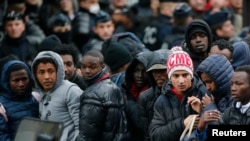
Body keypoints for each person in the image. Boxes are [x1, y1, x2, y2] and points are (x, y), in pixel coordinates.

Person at [149, 48, 208, 141]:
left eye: (185, 75)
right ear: (170, 78)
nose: (181, 81)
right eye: (176, 76)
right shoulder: (162, 101)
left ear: (191, 75)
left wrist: (202, 111)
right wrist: (182, 124)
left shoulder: (203, 93)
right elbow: (155, 135)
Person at [77, 50, 130, 141]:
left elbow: (86, 135)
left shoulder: (92, 94)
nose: (87, 71)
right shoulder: (112, 86)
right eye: (83, 67)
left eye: (92, 67)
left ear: (102, 67)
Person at [31, 51, 83, 141]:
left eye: (50, 71)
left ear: (59, 71)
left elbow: (82, 128)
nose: (46, 76)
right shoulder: (42, 93)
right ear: (35, 75)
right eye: (41, 72)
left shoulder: (71, 91)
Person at [196, 65, 250, 140]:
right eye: (232, 84)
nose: (233, 88)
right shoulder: (230, 112)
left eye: (238, 84)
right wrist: (200, 128)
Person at [0, 60, 39, 140]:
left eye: (24, 79)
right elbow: (2, 135)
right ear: (7, 82)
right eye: (16, 80)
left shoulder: (37, 99)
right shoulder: (1, 107)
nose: (21, 84)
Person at [137, 49, 170, 141]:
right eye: (155, 71)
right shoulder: (145, 97)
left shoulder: (180, 93)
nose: (159, 75)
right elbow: (146, 130)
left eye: (162, 70)